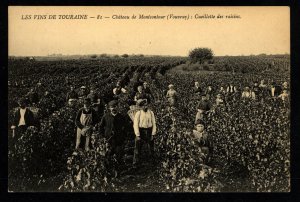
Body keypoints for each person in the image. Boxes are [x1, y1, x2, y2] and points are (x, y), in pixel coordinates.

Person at [99, 100, 128, 169]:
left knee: (119, 155)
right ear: (109, 108)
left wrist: (124, 137)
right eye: (112, 107)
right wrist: (103, 136)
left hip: (119, 140)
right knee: (108, 155)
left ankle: (118, 170)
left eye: (115, 106)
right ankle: (108, 169)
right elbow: (100, 127)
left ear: (117, 107)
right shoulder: (106, 116)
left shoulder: (121, 117)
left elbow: (126, 127)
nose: (113, 108)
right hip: (108, 139)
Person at [133, 99, 157, 167]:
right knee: (138, 148)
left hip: (149, 131)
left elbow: (154, 123)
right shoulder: (138, 113)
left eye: (146, 105)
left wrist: (153, 134)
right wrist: (137, 135)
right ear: (141, 107)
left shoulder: (151, 113)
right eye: (144, 106)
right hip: (141, 131)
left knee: (151, 147)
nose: (145, 107)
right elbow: (135, 124)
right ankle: (136, 164)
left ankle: (152, 163)